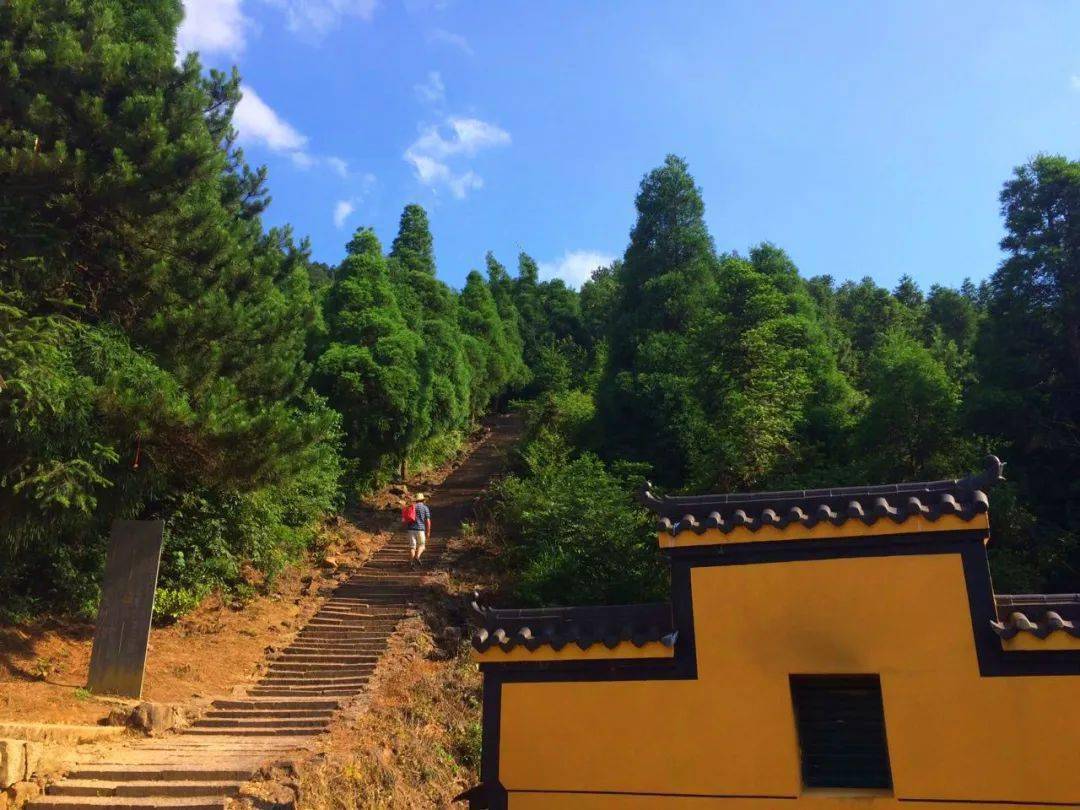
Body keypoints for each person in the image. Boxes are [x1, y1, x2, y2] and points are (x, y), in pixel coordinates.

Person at [406, 492, 431, 567]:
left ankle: (411, 563)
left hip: (411, 529)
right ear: (423, 500)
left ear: (416, 500)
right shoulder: (425, 508)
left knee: (412, 547)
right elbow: (428, 521)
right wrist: (428, 531)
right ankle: (417, 556)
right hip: (420, 529)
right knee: (422, 545)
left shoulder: (411, 506)